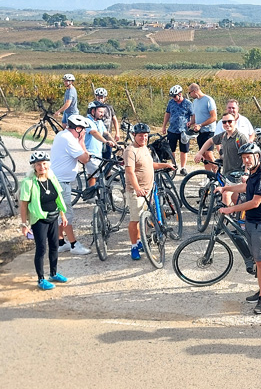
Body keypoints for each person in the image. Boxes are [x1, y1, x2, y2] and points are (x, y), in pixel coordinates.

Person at [217, 143, 261, 315]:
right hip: (251, 221)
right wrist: (225, 188)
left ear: (257, 156)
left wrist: (231, 209)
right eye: (243, 158)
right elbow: (245, 188)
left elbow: (255, 202)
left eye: (248, 156)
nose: (246, 160)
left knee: (260, 260)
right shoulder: (253, 173)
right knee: (257, 259)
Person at [123, 123, 175, 260]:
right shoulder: (130, 150)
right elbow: (130, 171)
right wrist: (137, 188)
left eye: (146, 136)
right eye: (140, 136)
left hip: (148, 190)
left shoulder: (145, 148)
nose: (143, 138)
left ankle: (141, 242)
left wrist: (165, 165)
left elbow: (149, 165)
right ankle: (134, 246)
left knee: (144, 218)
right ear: (134, 135)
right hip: (136, 192)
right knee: (135, 220)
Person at [18, 151, 69, 290]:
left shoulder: (52, 178)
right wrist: (24, 224)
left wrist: (62, 215)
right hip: (39, 219)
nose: (42, 167)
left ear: (48, 164)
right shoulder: (28, 182)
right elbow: (23, 205)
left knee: (54, 246)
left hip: (53, 216)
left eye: (44, 164)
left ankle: (53, 273)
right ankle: (41, 279)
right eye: (38, 164)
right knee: (41, 249)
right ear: (33, 167)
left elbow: (58, 197)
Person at [49, 114, 91, 255]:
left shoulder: (62, 135)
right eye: (83, 129)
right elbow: (85, 159)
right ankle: (74, 245)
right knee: (67, 213)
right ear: (77, 129)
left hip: (58, 181)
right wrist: (82, 141)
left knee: (60, 213)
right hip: (61, 183)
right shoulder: (70, 139)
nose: (84, 132)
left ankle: (60, 242)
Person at [195, 112, 249, 206]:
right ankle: (240, 217)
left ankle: (224, 219)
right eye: (224, 122)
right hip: (227, 172)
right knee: (235, 198)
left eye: (229, 121)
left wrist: (246, 173)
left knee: (226, 194)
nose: (227, 124)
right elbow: (210, 141)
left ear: (235, 122)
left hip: (237, 174)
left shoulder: (240, 138)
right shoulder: (223, 135)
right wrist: (200, 153)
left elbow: (249, 156)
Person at [161, 85, 194, 175]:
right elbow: (167, 114)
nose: (174, 98)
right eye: (172, 96)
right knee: (171, 149)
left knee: (183, 150)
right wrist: (164, 126)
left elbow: (193, 115)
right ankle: (173, 165)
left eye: (175, 96)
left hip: (183, 130)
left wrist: (191, 123)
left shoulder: (188, 103)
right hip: (172, 129)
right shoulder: (171, 102)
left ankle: (183, 167)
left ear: (180, 94)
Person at [83, 101, 116, 186]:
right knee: (95, 175)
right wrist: (105, 141)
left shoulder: (99, 122)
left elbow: (106, 133)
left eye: (103, 112)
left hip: (98, 153)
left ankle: (100, 195)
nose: (103, 114)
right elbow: (94, 132)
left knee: (97, 175)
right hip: (90, 152)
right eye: (100, 112)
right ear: (93, 111)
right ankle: (91, 197)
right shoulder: (87, 121)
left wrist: (116, 144)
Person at [187, 83, 218, 171]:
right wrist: (191, 122)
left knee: (208, 153)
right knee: (203, 155)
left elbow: (214, 117)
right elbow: (195, 116)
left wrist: (201, 125)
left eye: (190, 93)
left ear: (194, 91)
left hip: (209, 131)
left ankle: (216, 173)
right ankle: (208, 176)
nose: (190, 95)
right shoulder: (195, 102)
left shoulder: (208, 100)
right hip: (199, 132)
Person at [93, 87, 120, 161]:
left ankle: (107, 172)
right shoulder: (93, 107)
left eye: (101, 97)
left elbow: (114, 119)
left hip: (108, 134)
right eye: (98, 97)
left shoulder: (109, 107)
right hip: (97, 135)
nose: (100, 99)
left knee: (107, 157)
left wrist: (117, 133)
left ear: (105, 98)